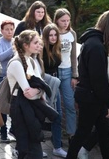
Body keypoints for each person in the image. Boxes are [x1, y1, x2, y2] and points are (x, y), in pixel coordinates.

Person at [66, 10, 109, 159]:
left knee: (104, 134)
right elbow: (99, 80)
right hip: (92, 98)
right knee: (83, 133)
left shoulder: (92, 42)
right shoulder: (97, 46)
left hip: (91, 97)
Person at [7, 30, 49, 158]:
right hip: (20, 108)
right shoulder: (16, 63)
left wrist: (38, 90)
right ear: (26, 45)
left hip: (30, 107)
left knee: (32, 147)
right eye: (35, 42)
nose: (39, 45)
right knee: (27, 149)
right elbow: (28, 93)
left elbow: (40, 87)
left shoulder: (30, 60)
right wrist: (39, 91)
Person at [41, 24, 67, 157]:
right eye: (50, 35)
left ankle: (57, 146)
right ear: (45, 36)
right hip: (43, 84)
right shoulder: (41, 50)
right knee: (39, 117)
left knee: (57, 116)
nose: (53, 37)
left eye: (55, 35)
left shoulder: (57, 48)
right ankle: (36, 147)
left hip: (55, 84)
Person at [53, 8, 78, 144]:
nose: (65, 23)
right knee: (55, 105)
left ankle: (71, 134)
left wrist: (75, 74)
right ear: (57, 20)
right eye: (63, 21)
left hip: (68, 71)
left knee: (70, 104)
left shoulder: (72, 33)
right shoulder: (53, 32)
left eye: (68, 21)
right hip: (55, 71)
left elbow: (74, 56)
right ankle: (55, 136)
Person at [0, 20, 15, 143]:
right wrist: (12, 49)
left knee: (14, 104)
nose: (9, 31)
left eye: (11, 29)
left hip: (13, 78)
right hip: (1, 77)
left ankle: (14, 129)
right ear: (1, 31)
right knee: (3, 104)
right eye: (7, 29)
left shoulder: (15, 41)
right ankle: (3, 132)